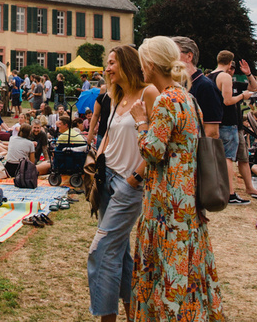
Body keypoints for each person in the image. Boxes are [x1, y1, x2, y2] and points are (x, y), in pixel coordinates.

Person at [129, 36, 224, 321]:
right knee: (186, 266)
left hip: (166, 200)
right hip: (186, 197)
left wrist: (140, 122)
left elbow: (153, 152)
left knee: (166, 267)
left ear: (150, 63)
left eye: (141, 61)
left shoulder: (165, 100)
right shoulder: (188, 97)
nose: (140, 67)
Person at [87, 46, 158, 322]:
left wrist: (136, 177)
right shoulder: (115, 96)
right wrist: (98, 164)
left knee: (101, 251)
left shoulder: (147, 93)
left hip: (129, 185)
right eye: (107, 63)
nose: (107, 68)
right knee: (120, 252)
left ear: (128, 64)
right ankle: (134, 316)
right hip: (107, 180)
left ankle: (107, 318)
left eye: (112, 62)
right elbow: (107, 135)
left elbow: (157, 140)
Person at [208, 50, 257, 204]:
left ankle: (222, 190)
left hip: (215, 122)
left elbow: (255, 87)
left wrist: (249, 75)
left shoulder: (209, 77)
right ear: (230, 63)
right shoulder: (224, 77)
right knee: (228, 158)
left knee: (220, 158)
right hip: (228, 123)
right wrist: (243, 96)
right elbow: (228, 101)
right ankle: (230, 193)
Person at [88, 83, 111, 149]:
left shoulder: (121, 98)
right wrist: (91, 131)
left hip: (116, 134)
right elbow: (95, 115)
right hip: (102, 133)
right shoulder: (102, 98)